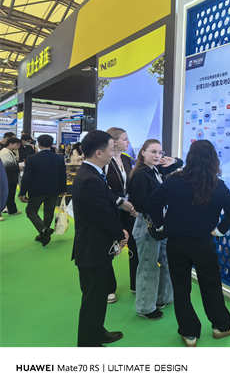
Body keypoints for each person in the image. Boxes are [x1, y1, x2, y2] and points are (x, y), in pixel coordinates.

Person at [148, 140, 230, 347]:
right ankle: (222, 326)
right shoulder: (218, 185)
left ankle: (189, 333)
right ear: (213, 160)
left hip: (176, 243)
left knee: (181, 289)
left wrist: (161, 225)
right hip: (203, 244)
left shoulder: (174, 180)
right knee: (211, 286)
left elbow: (153, 202)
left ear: (190, 157)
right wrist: (219, 230)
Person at [71, 130, 128, 347]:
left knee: (98, 295)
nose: (113, 153)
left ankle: (97, 332)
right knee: (93, 299)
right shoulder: (90, 179)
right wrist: (120, 233)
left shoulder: (92, 174)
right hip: (92, 249)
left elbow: (105, 202)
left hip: (95, 247)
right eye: (111, 149)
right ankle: (88, 343)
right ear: (98, 152)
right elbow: (101, 215)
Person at [127, 139, 182, 320]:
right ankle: (145, 307)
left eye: (160, 152)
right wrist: (163, 202)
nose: (157, 155)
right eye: (153, 152)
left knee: (165, 261)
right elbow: (141, 204)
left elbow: (179, 164)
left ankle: (162, 298)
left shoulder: (155, 170)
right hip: (148, 224)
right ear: (143, 152)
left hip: (160, 224)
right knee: (148, 266)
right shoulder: (141, 175)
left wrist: (171, 160)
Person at [104, 127, 138, 302]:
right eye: (125, 139)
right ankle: (109, 288)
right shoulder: (105, 161)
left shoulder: (126, 159)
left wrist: (133, 205)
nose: (128, 142)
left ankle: (136, 284)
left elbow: (131, 185)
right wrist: (119, 202)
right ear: (114, 141)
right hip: (111, 210)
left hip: (129, 210)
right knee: (109, 248)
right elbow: (103, 189)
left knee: (134, 246)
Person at [19, 135, 67, 246]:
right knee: (49, 212)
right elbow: (62, 175)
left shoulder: (32, 158)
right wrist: (63, 189)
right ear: (51, 144)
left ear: (39, 144)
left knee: (31, 211)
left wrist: (22, 192)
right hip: (54, 190)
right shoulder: (59, 158)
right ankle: (44, 234)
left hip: (36, 190)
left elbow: (27, 177)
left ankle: (43, 231)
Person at [0, 137, 22, 216]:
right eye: (17, 145)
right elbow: (6, 167)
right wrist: (19, 167)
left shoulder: (10, 151)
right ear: (11, 144)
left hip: (11, 177)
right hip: (7, 177)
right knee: (4, 195)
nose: (18, 147)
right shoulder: (4, 152)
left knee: (10, 195)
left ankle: (12, 210)